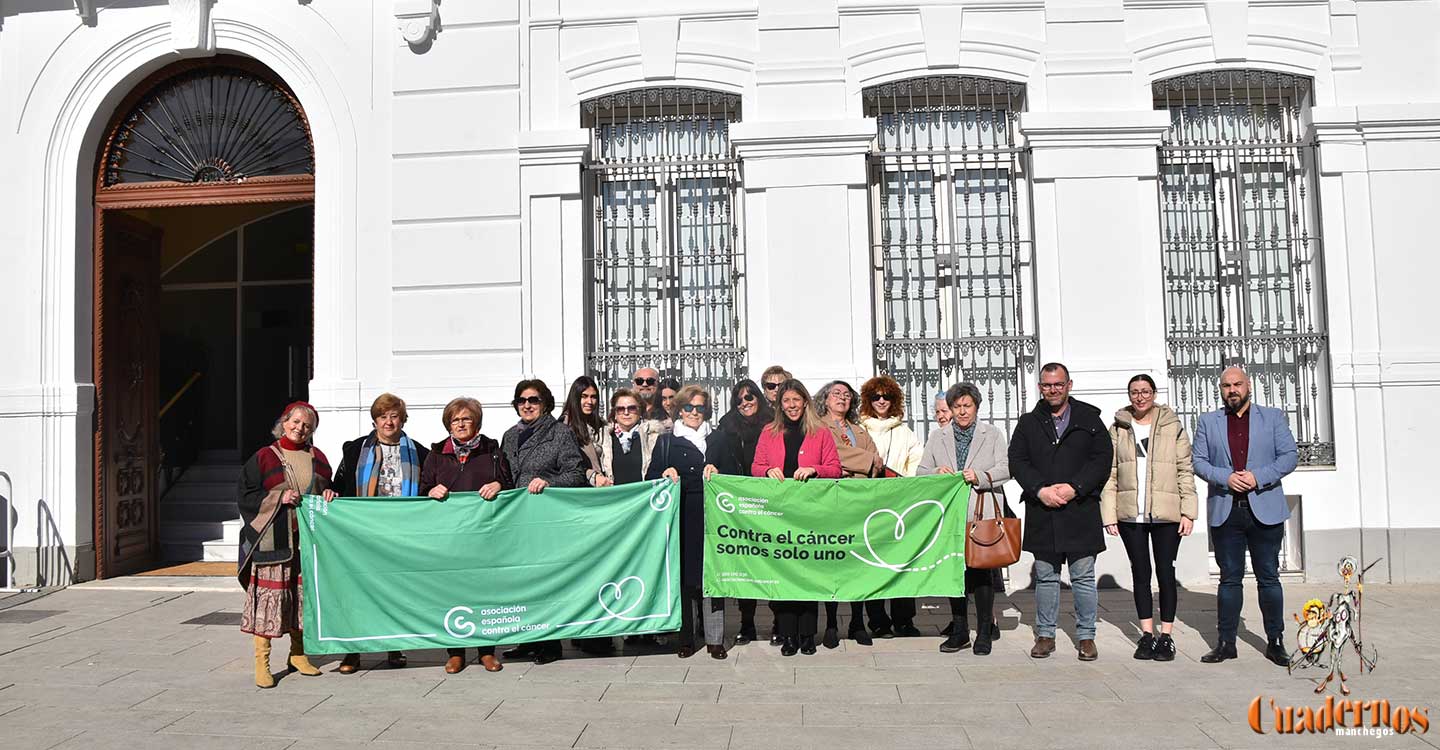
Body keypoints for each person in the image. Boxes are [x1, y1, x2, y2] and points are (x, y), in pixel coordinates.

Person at [1192, 366, 1297, 666]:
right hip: (1227, 511)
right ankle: (1226, 642)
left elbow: (1289, 456)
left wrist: (1257, 477)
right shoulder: (1208, 422)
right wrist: (1225, 478)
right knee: (1229, 580)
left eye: (1237, 384)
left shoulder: (1273, 418)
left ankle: (1275, 641)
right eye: (1226, 386)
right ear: (1221, 389)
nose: (1232, 390)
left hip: (1265, 508)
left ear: (1249, 386)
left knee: (1269, 578)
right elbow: (1198, 461)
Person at [1009, 363, 1113, 662]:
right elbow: (1017, 460)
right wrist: (1040, 489)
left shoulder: (1089, 419)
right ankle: (1045, 634)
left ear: (1069, 385)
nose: (1052, 390)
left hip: (1080, 509)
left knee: (1082, 576)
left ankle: (1086, 637)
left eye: (1058, 384)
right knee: (1045, 576)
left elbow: (1102, 460)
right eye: (1046, 385)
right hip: (1043, 511)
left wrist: (1075, 487)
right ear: (1040, 387)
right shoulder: (1028, 422)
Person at [326, 392, 431, 673]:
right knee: (357, 590)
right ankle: (353, 650)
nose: (388, 421)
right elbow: (340, 484)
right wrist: (330, 492)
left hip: (400, 534)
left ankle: (393, 645)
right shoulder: (355, 449)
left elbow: (428, 487)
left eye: (394, 416)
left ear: (403, 419)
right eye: (382, 416)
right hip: (362, 534)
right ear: (374, 420)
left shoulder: (420, 452)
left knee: (393, 591)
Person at [1101, 374, 1198, 662]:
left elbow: (1185, 469)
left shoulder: (1172, 426)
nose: (1140, 396)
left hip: (1166, 514)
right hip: (1132, 515)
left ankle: (1166, 636)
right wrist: (1109, 514)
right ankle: (1146, 634)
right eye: (1134, 392)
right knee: (1140, 574)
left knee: (1166, 574)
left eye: (1145, 391)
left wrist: (1188, 512)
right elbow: (1111, 474)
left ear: (1154, 393)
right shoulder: (1118, 427)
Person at [237, 401, 330, 689]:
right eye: (296, 422)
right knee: (269, 603)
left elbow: (327, 490)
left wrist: (329, 492)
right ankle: (261, 662)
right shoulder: (264, 457)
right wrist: (279, 498)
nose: (300, 428)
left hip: (306, 542)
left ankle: (298, 655)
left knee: (301, 600)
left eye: (307, 425)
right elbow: (245, 495)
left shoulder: (319, 458)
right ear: (284, 422)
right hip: (273, 542)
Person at [917, 382, 1013, 656]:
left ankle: (984, 631)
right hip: (950, 515)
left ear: (976, 407)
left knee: (981, 573)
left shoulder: (992, 434)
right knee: (953, 572)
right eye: (956, 406)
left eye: (966, 406)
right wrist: (937, 471)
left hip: (982, 513)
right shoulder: (938, 436)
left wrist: (980, 477)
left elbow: (1006, 468)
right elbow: (920, 471)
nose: (961, 411)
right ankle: (959, 630)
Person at [419, 396, 512, 674]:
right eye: (455, 419)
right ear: (448, 424)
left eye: (466, 419)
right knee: (452, 591)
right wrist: (430, 491)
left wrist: (498, 483)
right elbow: (422, 487)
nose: (460, 424)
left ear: (477, 423)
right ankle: (455, 651)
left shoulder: (493, 452)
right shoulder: (436, 454)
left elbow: (509, 484)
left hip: (485, 536)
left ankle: (486, 651)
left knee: (485, 592)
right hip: (449, 538)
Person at [500, 379, 590, 665]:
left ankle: (550, 643)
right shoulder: (509, 436)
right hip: (517, 520)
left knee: (545, 582)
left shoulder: (560, 433)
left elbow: (575, 473)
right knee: (522, 581)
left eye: (533, 400)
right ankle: (527, 638)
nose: (527, 405)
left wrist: (548, 482)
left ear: (545, 403)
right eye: (522, 400)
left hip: (546, 519)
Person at [752, 379, 842, 656]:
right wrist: (767, 471)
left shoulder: (822, 432)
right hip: (780, 516)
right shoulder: (769, 432)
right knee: (785, 576)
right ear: (780, 405)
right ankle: (789, 635)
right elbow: (756, 466)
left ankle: (807, 635)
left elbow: (835, 468)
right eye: (786, 401)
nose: (791, 406)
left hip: (810, 515)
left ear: (805, 401)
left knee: (808, 575)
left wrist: (814, 469)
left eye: (796, 400)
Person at [815, 380, 901, 647]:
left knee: (858, 563)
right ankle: (830, 623)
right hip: (833, 501)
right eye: (836, 394)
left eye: (846, 395)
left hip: (860, 503)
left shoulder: (858, 430)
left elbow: (877, 460)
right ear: (825, 399)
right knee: (832, 563)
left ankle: (856, 622)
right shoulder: (818, 426)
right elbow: (833, 454)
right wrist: (863, 462)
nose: (842, 398)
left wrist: (861, 464)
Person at [647, 385, 727, 659]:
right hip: (681, 515)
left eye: (700, 408)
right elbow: (650, 478)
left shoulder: (719, 438)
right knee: (683, 578)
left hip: (713, 516)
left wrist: (720, 472)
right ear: (680, 409)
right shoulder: (666, 441)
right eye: (689, 407)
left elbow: (736, 474)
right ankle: (686, 638)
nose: (694, 412)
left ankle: (716, 639)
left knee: (712, 575)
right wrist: (664, 472)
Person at [590, 387, 665, 650]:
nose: (626, 413)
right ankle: (611, 626)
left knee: (643, 569)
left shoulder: (654, 434)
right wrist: (594, 477)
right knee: (613, 569)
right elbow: (586, 464)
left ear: (640, 410)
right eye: (620, 408)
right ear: (613, 411)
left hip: (644, 515)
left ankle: (643, 630)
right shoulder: (601, 437)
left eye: (631, 408)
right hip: (612, 515)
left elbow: (661, 464)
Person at [705, 379, 773, 644]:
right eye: (740, 400)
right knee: (745, 562)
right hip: (738, 505)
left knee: (771, 562)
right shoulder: (726, 427)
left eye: (750, 397)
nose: (745, 403)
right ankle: (747, 623)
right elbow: (715, 456)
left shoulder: (772, 424)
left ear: (758, 398)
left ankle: (778, 619)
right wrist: (712, 466)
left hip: (768, 502)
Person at [860, 375, 922, 476]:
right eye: (876, 397)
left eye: (886, 397)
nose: (881, 401)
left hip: (898, 487)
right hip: (868, 487)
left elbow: (915, 461)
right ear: (869, 400)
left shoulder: (904, 432)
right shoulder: (860, 429)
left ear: (893, 400)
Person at [561, 375, 606, 491]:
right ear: (575, 398)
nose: (589, 402)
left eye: (593, 397)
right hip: (582, 491)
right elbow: (565, 465)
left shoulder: (602, 426)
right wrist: (593, 476)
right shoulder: (563, 427)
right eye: (584, 396)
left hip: (605, 488)